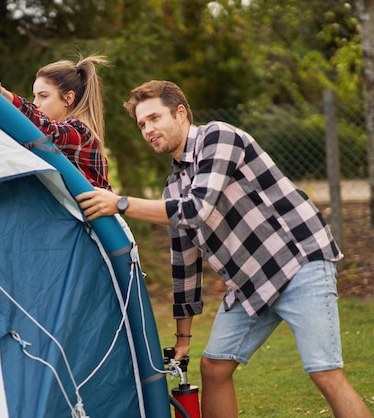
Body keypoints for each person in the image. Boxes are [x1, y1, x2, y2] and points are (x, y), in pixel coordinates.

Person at [76, 80, 372, 418]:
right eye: (142, 124)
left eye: (155, 118)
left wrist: (120, 203)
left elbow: (196, 209)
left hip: (298, 261)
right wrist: (183, 337)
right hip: (250, 284)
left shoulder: (218, 138)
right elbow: (184, 266)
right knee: (214, 367)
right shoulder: (174, 184)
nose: (148, 129)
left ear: (181, 113)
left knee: (325, 372)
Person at [0, 55, 111, 190]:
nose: (36, 103)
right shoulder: (53, 142)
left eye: (43, 96)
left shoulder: (79, 132)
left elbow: (46, 128)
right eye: (35, 96)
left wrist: (5, 95)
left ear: (68, 98)